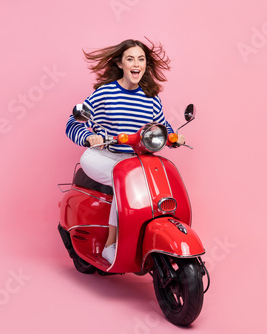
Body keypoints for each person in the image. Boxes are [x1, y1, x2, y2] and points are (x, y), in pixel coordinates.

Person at [65, 39, 185, 264]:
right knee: (125, 183)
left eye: (141, 59)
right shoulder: (105, 93)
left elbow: (161, 126)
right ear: (120, 63)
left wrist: (172, 137)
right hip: (102, 155)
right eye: (130, 58)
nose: (136, 63)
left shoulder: (151, 98)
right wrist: (88, 137)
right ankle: (111, 246)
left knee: (148, 186)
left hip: (136, 161)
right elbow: (73, 122)